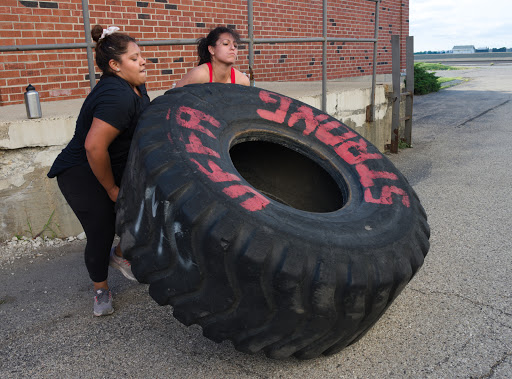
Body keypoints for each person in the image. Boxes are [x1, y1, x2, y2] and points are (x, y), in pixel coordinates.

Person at [47, 25, 150, 317]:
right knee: (101, 230)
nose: (143, 61)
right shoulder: (115, 96)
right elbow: (94, 147)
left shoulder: (135, 85)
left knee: (140, 215)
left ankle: (119, 256)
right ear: (115, 65)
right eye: (134, 58)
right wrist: (112, 190)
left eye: (141, 55)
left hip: (108, 165)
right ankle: (100, 289)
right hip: (81, 173)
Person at [174, 26, 250, 87]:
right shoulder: (199, 75)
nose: (233, 48)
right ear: (211, 49)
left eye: (235, 45)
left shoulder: (242, 81)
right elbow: (173, 98)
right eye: (226, 44)